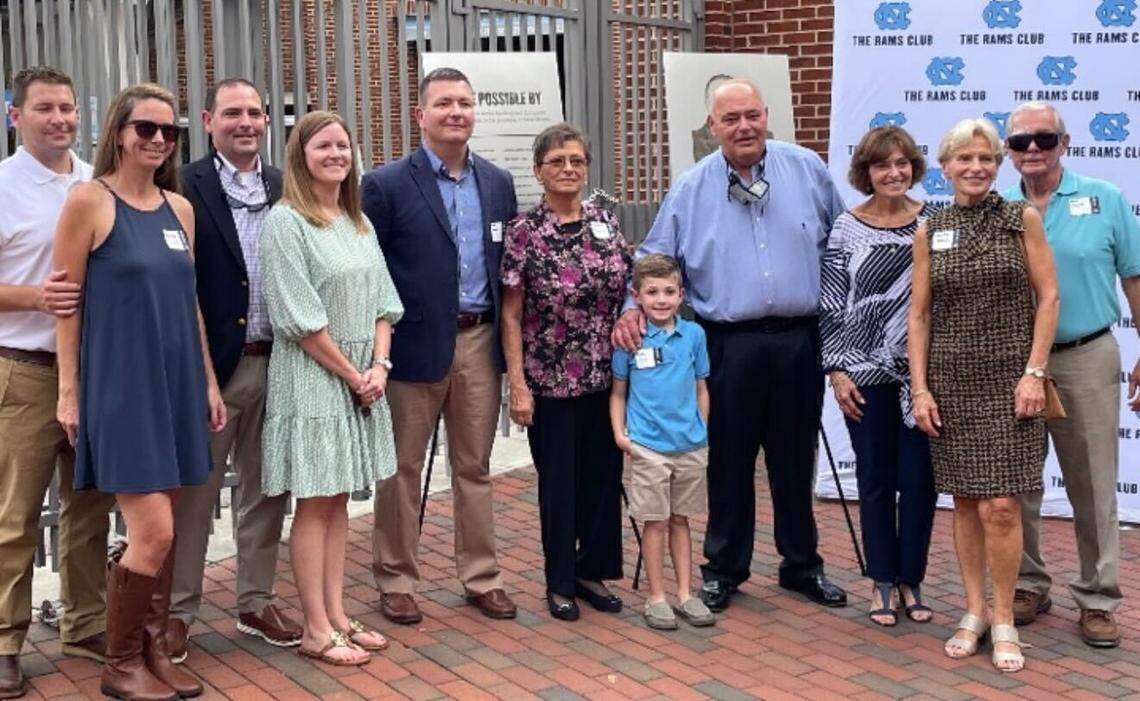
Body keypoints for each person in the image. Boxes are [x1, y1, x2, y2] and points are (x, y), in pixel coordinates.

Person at [613, 78, 848, 613]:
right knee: (728, 461)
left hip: (797, 339)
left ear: (766, 115)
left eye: (751, 115)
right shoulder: (692, 187)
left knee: (794, 457)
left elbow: (842, 238)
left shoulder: (807, 168)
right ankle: (723, 569)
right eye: (730, 119)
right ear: (712, 127)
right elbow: (656, 255)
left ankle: (801, 565)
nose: (743, 127)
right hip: (727, 343)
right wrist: (632, 308)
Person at [54, 82, 226, 700]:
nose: (157, 140)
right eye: (145, 128)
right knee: (151, 532)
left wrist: (207, 380)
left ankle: (152, 652)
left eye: (168, 131)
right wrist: (69, 393)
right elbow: (66, 306)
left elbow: (192, 307)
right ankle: (119, 661)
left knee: (169, 529)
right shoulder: (87, 202)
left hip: (176, 383)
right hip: (121, 387)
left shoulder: (179, 210)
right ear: (118, 133)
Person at [362, 67, 518, 624]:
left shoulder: (498, 183)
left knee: (474, 466)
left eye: (465, 103)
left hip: (479, 342)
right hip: (412, 348)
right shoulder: (385, 185)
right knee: (402, 468)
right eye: (444, 103)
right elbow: (369, 271)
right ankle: (397, 579)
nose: (456, 112)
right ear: (420, 115)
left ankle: (482, 576)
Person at [908, 118, 1058, 673]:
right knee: (967, 500)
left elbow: (1049, 298)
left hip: (1011, 382)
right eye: (964, 159)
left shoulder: (1022, 218)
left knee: (1002, 505)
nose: (976, 168)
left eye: (986, 159)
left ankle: (1004, 617)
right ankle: (972, 611)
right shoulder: (932, 229)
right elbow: (919, 314)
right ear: (944, 167)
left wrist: (1035, 373)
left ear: (999, 167)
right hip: (951, 382)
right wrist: (920, 388)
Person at [164, 77, 300, 662]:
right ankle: (177, 611)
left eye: (255, 112)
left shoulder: (283, 185)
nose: (246, 122)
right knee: (195, 494)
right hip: (215, 368)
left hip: (282, 362)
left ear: (267, 120)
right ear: (207, 119)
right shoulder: (184, 184)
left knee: (269, 488)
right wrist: (199, 373)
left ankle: (255, 598)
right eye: (233, 113)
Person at [259, 110, 402, 666]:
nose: (336, 154)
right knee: (315, 504)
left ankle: (338, 614)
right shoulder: (286, 223)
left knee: (339, 502)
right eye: (324, 146)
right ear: (301, 155)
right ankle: (316, 628)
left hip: (363, 379)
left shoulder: (356, 222)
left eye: (343, 145)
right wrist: (353, 375)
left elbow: (385, 303)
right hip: (315, 380)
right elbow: (299, 319)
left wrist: (381, 368)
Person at [1002, 101, 1140, 648]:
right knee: (1017, 481)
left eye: (1043, 138)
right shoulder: (996, 205)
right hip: (1013, 362)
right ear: (1008, 152)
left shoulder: (1104, 199)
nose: (1032, 149)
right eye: (1019, 142)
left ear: (1065, 141)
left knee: (1093, 483)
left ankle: (1099, 597)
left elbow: (1134, 276)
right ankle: (1030, 583)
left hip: (1086, 354)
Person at [0, 66, 115, 699]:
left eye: (68, 108)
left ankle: (84, 624)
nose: (60, 119)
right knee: (15, 516)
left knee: (88, 507)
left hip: (94, 370)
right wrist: (34, 297)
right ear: (15, 116)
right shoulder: (2, 186)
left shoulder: (94, 184)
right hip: (24, 372)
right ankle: (5, 641)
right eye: (45, 108)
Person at [500, 123, 628, 621]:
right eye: (557, 162)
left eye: (577, 160)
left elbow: (626, 286)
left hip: (606, 376)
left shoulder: (605, 222)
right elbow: (511, 313)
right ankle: (559, 582)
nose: (569, 169)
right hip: (549, 378)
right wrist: (518, 383)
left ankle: (591, 571)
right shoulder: (524, 231)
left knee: (602, 477)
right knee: (559, 482)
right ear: (538, 171)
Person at [819, 126, 937, 627]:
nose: (893, 173)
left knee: (920, 481)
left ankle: (912, 578)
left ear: (913, 167)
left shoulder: (935, 221)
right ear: (866, 172)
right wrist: (836, 370)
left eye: (902, 164)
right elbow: (830, 304)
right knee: (874, 478)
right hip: (864, 372)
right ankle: (881, 581)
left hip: (924, 375)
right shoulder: (846, 227)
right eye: (882, 165)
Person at [610, 254, 716, 631]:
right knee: (654, 522)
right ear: (636, 296)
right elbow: (619, 392)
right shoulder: (630, 339)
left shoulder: (694, 335)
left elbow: (701, 386)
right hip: (648, 448)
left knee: (681, 520)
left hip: (689, 446)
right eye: (652, 292)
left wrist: (700, 428)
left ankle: (686, 593)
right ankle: (657, 596)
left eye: (669, 292)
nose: (661, 300)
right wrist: (621, 435)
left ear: (682, 295)